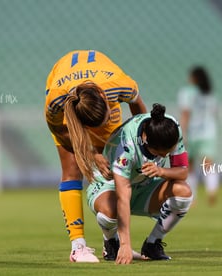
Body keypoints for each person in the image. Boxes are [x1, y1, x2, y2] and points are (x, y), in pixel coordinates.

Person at [44, 50, 147, 262]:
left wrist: (143, 143)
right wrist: (91, 154)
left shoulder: (120, 85)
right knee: (71, 167)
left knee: (116, 167)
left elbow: (140, 112)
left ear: (104, 97)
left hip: (100, 81)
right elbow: (60, 133)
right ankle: (77, 247)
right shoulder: (57, 102)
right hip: (66, 93)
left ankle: (112, 241)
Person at [86, 104, 193, 264]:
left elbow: (182, 172)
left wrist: (161, 171)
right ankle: (112, 242)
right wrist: (125, 244)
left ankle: (152, 244)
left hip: (144, 187)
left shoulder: (171, 127)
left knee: (183, 192)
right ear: (145, 140)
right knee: (110, 211)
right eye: (160, 154)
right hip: (109, 187)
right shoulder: (125, 148)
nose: (165, 156)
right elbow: (123, 197)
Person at [178, 66, 219, 206]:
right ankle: (212, 190)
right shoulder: (209, 94)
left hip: (192, 132)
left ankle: (192, 197)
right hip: (208, 132)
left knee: (190, 166)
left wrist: (182, 132)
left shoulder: (187, 92)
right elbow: (214, 113)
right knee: (208, 164)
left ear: (194, 78)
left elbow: (186, 113)